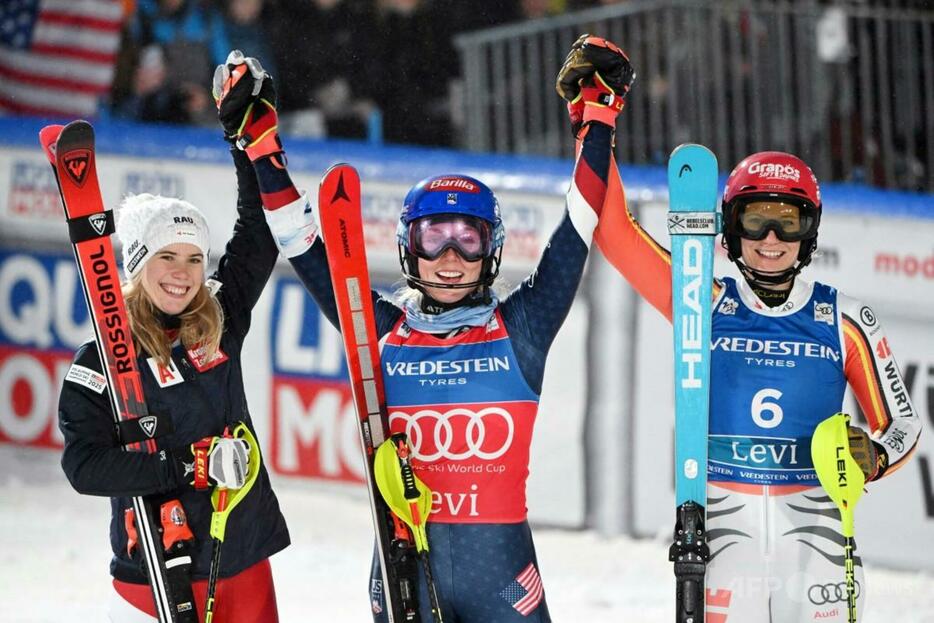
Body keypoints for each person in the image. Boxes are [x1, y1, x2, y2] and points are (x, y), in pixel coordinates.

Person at [259, 34, 634, 623]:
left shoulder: (524, 326)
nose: (451, 255)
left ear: (493, 249)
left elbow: (578, 225)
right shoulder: (376, 326)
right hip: (403, 565)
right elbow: (303, 245)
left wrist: (597, 119)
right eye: (434, 237)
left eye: (470, 236)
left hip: (503, 578)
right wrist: (261, 150)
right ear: (409, 248)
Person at [591, 143, 922, 618]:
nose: (771, 237)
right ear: (731, 227)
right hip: (724, 544)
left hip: (818, 548)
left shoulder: (844, 317)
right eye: (754, 219)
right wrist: (595, 122)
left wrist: (876, 455)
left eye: (789, 220)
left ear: (810, 230)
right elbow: (615, 233)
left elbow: (903, 424)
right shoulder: (697, 299)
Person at [58, 51, 297, 621]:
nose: (183, 273)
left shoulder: (217, 314)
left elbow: (258, 232)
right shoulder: (102, 357)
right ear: (138, 264)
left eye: (194, 257)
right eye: (166, 256)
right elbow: (84, 466)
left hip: (242, 550)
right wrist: (185, 467)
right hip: (157, 573)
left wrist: (244, 143)